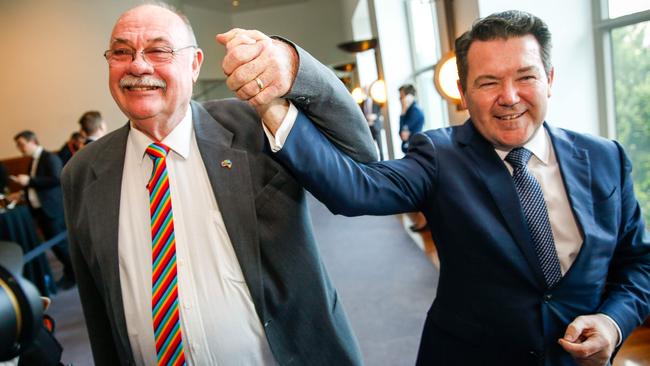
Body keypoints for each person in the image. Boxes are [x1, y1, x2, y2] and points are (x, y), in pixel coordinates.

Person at [252, 10, 650, 365]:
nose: (509, 97)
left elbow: (639, 265)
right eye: (488, 82)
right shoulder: (438, 156)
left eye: (525, 77)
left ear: (549, 79)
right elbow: (355, 189)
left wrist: (612, 323)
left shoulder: (605, 158)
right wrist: (274, 107)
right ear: (463, 92)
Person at [60, 3, 376, 366]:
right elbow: (99, 311)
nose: (138, 66)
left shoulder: (253, 124)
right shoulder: (82, 173)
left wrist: (292, 66)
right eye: (121, 52)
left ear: (194, 64)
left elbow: (360, 160)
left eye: (159, 50)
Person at [11, 130, 76, 289]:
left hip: (53, 210)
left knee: (61, 245)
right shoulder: (33, 160)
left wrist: (29, 181)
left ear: (32, 141)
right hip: (41, 211)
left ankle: (74, 276)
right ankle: (70, 273)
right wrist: (23, 193)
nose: (20, 149)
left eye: (22, 144)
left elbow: (56, 179)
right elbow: (36, 185)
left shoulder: (49, 157)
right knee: (55, 246)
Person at [398, 84, 424, 153]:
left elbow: (403, 135)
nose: (400, 99)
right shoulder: (408, 110)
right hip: (410, 151)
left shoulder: (415, 111)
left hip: (415, 151)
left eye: (402, 97)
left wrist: (403, 111)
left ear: (409, 97)